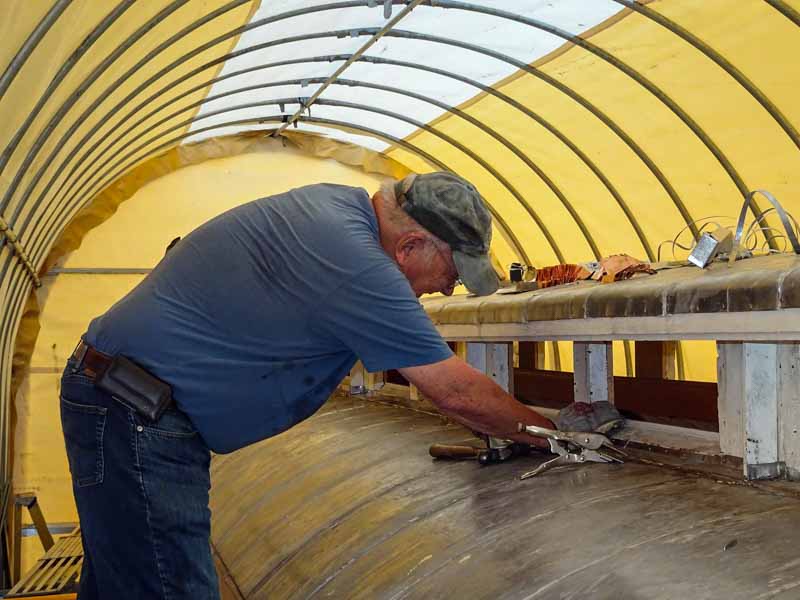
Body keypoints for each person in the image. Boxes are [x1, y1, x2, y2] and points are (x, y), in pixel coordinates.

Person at [60, 172, 556, 600]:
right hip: (134, 416)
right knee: (170, 586)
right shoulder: (357, 261)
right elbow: (453, 391)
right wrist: (553, 434)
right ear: (409, 247)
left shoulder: (336, 209)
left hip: (121, 399)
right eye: (452, 272)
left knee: (126, 579)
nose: (449, 289)